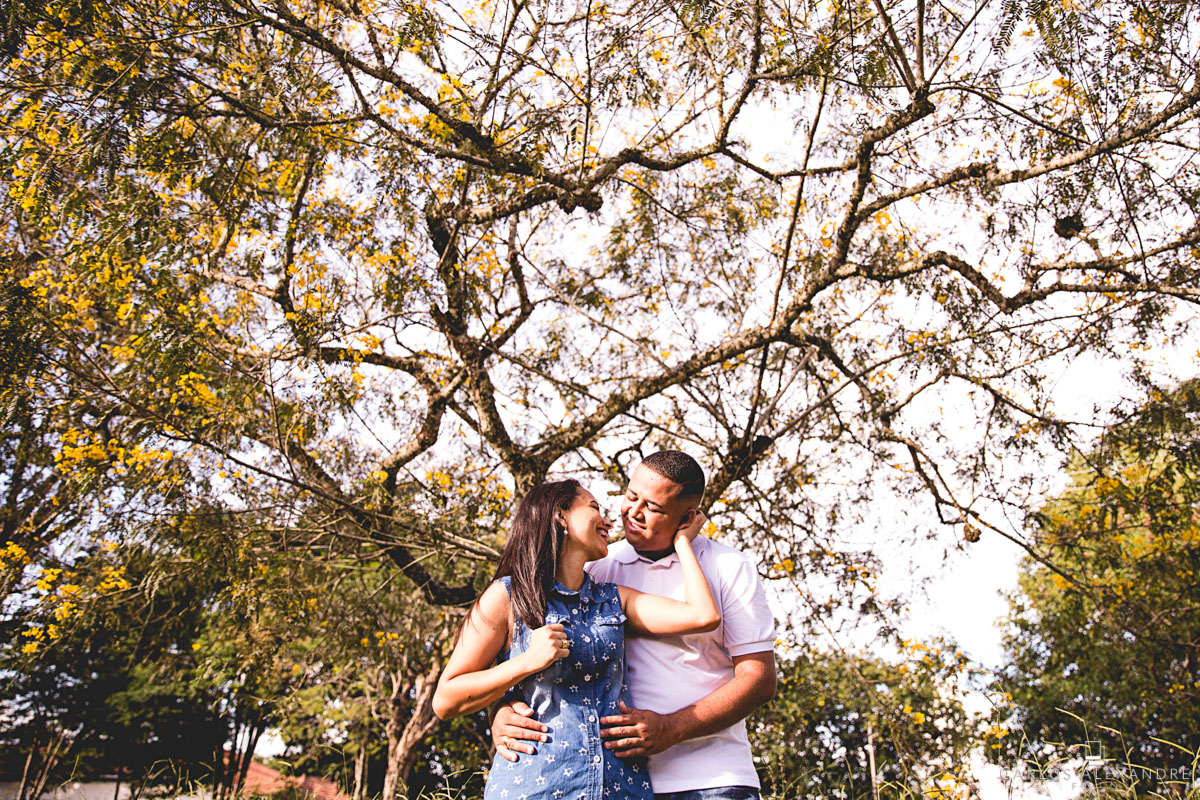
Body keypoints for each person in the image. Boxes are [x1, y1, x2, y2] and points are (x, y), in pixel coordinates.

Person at [492, 451, 777, 800]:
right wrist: (502, 710)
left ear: (687, 517)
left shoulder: (729, 566)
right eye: (631, 496)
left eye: (652, 507)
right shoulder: (598, 565)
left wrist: (671, 728)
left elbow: (759, 679)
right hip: (613, 781)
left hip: (711, 778)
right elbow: (527, 649)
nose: (633, 512)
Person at [432, 477, 722, 800]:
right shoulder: (507, 597)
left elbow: (703, 616)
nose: (608, 521)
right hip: (536, 789)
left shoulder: (613, 599)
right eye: (594, 507)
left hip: (621, 790)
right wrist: (525, 663)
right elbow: (445, 700)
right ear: (561, 516)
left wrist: (682, 542)